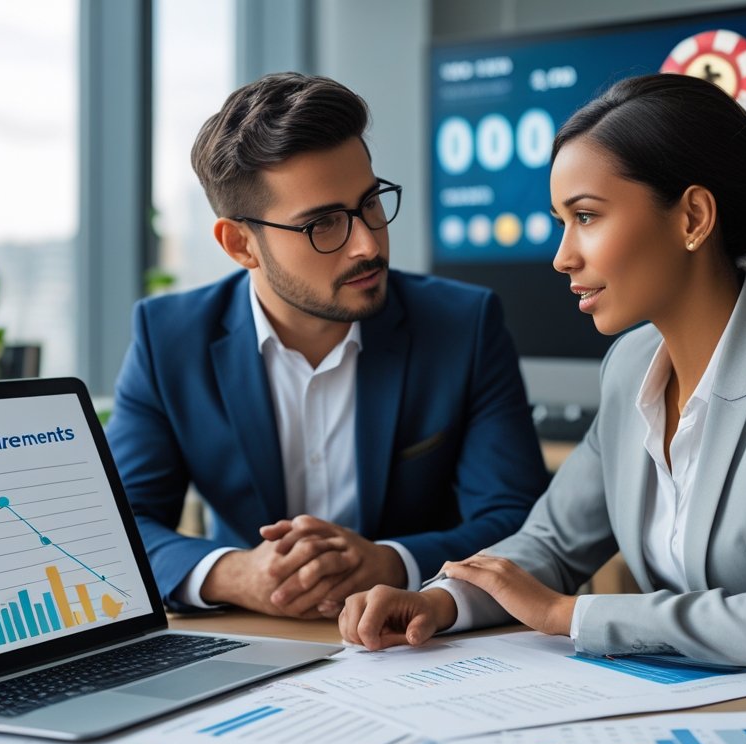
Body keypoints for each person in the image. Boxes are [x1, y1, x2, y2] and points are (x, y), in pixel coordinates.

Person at [338, 73, 746, 675]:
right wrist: (440, 601)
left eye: (586, 217)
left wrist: (570, 615)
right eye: (561, 222)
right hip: (720, 703)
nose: (562, 257)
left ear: (692, 218)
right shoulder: (631, 365)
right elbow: (550, 543)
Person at [107, 73, 549, 618]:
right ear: (240, 244)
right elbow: (118, 524)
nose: (367, 244)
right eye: (323, 224)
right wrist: (236, 575)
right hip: (255, 635)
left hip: (415, 637)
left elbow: (517, 517)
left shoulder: (463, 325)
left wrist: (392, 562)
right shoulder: (169, 338)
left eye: (371, 203)